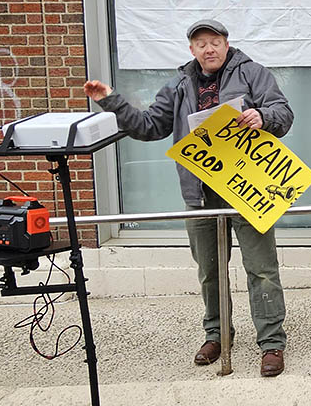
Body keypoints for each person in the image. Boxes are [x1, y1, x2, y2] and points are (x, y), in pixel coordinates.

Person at [83, 19, 293, 376]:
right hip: (200, 194)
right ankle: (217, 335)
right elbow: (149, 126)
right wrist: (111, 101)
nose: (209, 49)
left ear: (226, 43)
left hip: (249, 188)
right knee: (210, 272)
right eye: (201, 43)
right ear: (192, 49)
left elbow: (284, 113)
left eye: (215, 41)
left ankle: (271, 343)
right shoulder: (179, 84)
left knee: (262, 270)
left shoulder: (254, 74)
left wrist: (263, 116)